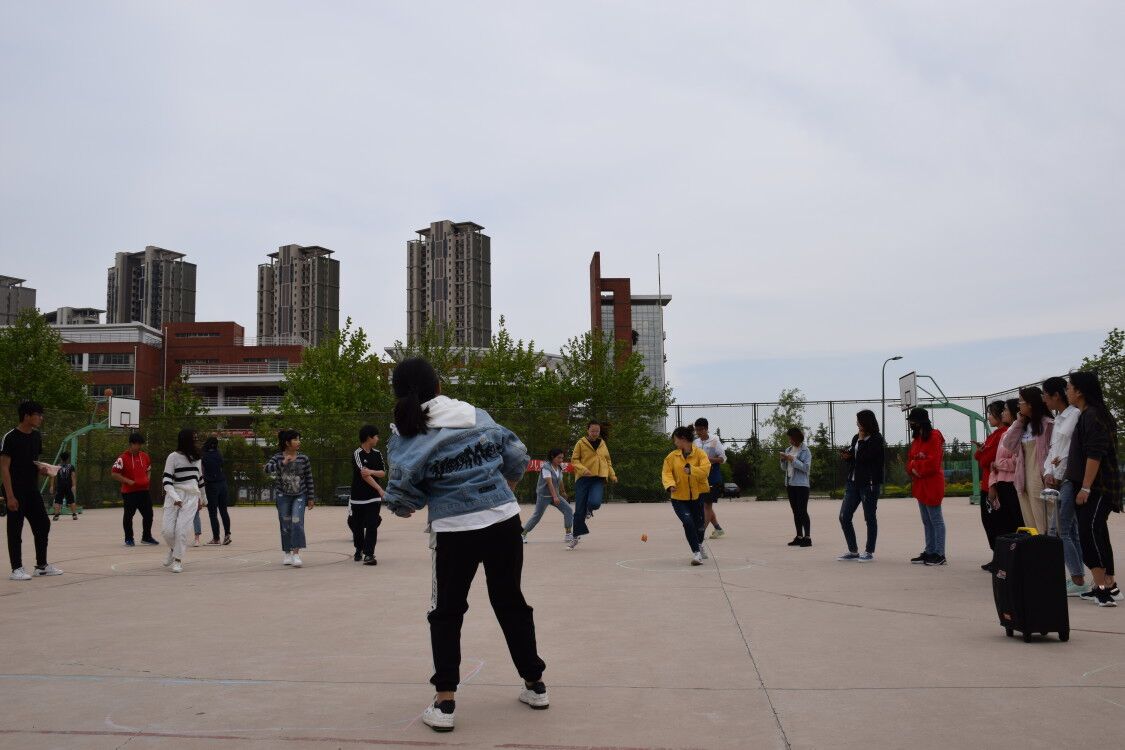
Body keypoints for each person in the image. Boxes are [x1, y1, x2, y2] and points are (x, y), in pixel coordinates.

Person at [382, 357, 548, 733]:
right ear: (438, 386)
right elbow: (517, 454)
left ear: (399, 395)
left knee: (447, 612)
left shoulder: (406, 435)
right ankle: (535, 684)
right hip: (504, 521)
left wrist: (406, 503)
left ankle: (445, 702)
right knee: (510, 601)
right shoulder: (474, 415)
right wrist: (504, 487)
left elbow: (404, 501)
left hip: (455, 530)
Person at [1064, 372, 1121, 607]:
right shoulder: (1088, 414)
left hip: (1098, 487)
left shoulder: (1093, 416)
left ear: (1079, 391)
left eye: (1069, 387)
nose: (1067, 391)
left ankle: (1102, 591)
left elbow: (1094, 454)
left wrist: (1085, 488)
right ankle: (1108, 585)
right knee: (1097, 532)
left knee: (1089, 532)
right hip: (1093, 487)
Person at [2, 401, 63, 581]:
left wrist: (43, 470)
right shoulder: (10, 437)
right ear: (27, 416)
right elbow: (4, 468)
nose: (41, 418)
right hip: (15, 490)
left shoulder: (36, 437)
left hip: (31, 489)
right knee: (15, 529)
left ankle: (41, 566)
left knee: (43, 524)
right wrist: (10, 496)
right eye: (38, 415)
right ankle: (16, 568)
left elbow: (32, 462)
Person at [1041, 377, 1086, 595]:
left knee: (1059, 529)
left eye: (1045, 395)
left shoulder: (1075, 415)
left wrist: (1057, 473)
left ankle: (1077, 578)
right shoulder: (1059, 419)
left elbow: (1070, 452)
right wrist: (1048, 472)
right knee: (1070, 530)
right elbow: (1053, 452)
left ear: (1055, 395)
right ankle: (1078, 578)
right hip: (1060, 480)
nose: (1044, 399)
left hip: (1069, 479)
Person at [999, 386, 1054, 533]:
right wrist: (1019, 422)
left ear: (1030, 404)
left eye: (1021, 401)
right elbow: (1008, 444)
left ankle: (1047, 547)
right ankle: (1036, 547)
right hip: (1023, 479)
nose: (1019, 405)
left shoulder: (1048, 424)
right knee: (1030, 524)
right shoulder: (1023, 425)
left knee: (1044, 522)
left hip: (1039, 477)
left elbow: (1053, 452)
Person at [837, 410, 885, 562]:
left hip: (869, 484)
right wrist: (847, 456)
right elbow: (855, 458)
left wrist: (862, 440)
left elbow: (865, 458)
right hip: (853, 482)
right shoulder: (856, 438)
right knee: (844, 516)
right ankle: (853, 551)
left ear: (866, 422)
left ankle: (869, 551)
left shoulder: (877, 439)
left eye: (859, 421)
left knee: (869, 517)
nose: (857, 424)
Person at [265, 429, 315, 568]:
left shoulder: (303, 458)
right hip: (283, 496)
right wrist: (282, 463)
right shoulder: (277, 457)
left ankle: (296, 554)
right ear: (287, 443)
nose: (298, 442)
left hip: (300, 495)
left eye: (299, 439)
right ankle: (287, 553)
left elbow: (309, 478)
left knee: (297, 522)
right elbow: (266, 469)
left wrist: (311, 497)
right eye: (295, 439)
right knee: (285, 524)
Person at [160, 429, 208, 574]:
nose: (196, 441)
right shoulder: (173, 457)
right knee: (167, 531)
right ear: (185, 440)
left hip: (191, 497)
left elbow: (200, 479)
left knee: (181, 530)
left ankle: (178, 560)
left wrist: (203, 498)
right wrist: (175, 497)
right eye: (194, 438)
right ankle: (174, 549)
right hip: (174, 496)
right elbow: (166, 480)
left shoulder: (197, 458)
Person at [662, 426, 711, 565]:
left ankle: (699, 544)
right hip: (678, 498)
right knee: (688, 523)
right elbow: (666, 472)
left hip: (698, 495)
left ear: (683, 439)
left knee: (699, 526)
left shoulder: (700, 454)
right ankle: (696, 554)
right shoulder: (672, 456)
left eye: (675, 440)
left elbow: (705, 471)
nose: (674, 443)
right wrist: (670, 484)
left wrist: (692, 470)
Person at [907, 408, 947, 566]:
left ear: (920, 422)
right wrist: (914, 466)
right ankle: (930, 550)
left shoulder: (934, 436)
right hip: (921, 484)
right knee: (926, 520)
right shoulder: (917, 439)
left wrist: (916, 466)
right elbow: (910, 461)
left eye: (912, 421)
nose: (911, 424)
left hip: (932, 483)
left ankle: (940, 553)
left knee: (936, 519)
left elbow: (933, 463)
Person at [569, 421, 616, 549]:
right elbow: (574, 460)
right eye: (592, 431)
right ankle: (575, 536)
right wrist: (583, 469)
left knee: (595, 503)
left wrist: (612, 475)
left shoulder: (602, 443)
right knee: (579, 510)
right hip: (583, 478)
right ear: (587, 430)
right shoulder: (581, 443)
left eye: (597, 431)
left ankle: (589, 509)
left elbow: (607, 461)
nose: (595, 433)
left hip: (598, 478)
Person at [973, 401, 1008, 569]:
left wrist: (983, 453)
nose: (989, 417)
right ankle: (997, 556)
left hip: (994, 485)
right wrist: (982, 452)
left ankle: (1001, 558)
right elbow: (978, 457)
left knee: (996, 522)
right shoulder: (994, 435)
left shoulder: (1003, 434)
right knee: (988, 522)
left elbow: (985, 459)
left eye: (991, 414)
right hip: (987, 484)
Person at [111, 432, 159, 546]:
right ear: (131, 444)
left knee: (149, 514)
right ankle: (129, 538)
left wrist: (147, 478)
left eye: (140, 444)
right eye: (137, 444)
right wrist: (128, 481)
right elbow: (114, 474)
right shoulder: (122, 458)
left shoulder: (145, 456)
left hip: (144, 491)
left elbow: (149, 469)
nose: (139, 446)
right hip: (129, 492)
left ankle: (146, 537)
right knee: (129, 515)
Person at [522, 448, 575, 545]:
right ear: (552, 457)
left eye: (562, 458)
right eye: (559, 458)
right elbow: (549, 483)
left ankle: (568, 534)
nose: (561, 460)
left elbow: (560, 480)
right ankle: (522, 534)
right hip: (544, 496)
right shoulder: (546, 467)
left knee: (568, 510)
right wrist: (555, 497)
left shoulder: (559, 467)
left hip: (556, 495)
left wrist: (563, 492)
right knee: (537, 516)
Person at [350, 424, 386, 565]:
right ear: (369, 437)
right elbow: (363, 475)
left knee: (372, 524)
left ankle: (369, 554)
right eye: (376, 436)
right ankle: (359, 548)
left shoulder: (377, 454)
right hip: (358, 497)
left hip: (374, 498)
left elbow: (382, 473)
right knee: (358, 526)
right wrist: (379, 488)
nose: (378, 438)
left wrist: (371, 471)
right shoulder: (357, 454)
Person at [693, 418, 727, 538]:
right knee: (704, 505)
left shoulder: (714, 441)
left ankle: (700, 532)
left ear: (706, 429)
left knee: (707, 505)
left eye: (700, 430)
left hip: (712, 477)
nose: (698, 432)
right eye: (696, 430)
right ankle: (718, 529)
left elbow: (722, 459)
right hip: (699, 477)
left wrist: (708, 460)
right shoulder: (696, 442)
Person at [781, 427, 812, 547]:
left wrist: (793, 460)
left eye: (790, 437)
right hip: (790, 484)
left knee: (802, 511)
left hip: (802, 485)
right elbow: (784, 468)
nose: (789, 440)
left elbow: (806, 468)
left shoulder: (806, 451)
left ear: (796, 438)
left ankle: (807, 538)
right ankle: (799, 536)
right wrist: (783, 460)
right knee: (795, 511)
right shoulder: (788, 449)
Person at [201, 437, 231, 545]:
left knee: (213, 513)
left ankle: (216, 538)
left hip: (211, 485)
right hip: (222, 484)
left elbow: (202, 471)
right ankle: (227, 534)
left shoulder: (204, 456)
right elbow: (221, 465)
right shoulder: (219, 454)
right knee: (224, 511)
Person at [50, 451, 78, 521]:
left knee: (58, 501)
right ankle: (74, 515)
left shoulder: (57, 466)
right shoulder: (71, 466)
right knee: (71, 500)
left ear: (61, 458)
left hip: (60, 486)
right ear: (68, 458)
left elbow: (53, 476)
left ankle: (56, 515)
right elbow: (73, 476)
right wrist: (74, 485)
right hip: (68, 486)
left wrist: (52, 486)